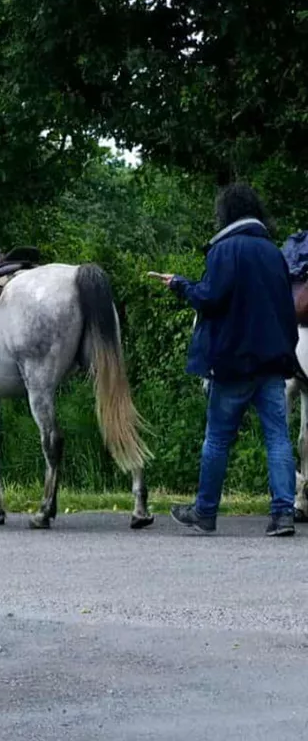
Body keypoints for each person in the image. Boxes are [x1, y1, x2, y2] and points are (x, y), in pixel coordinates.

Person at [151, 184, 299, 536]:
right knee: (278, 438)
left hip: (233, 363)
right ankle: (283, 515)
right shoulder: (273, 252)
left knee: (217, 438)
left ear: (226, 213)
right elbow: (285, 308)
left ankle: (205, 512)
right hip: (272, 364)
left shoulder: (224, 250)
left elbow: (210, 298)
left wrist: (181, 285)